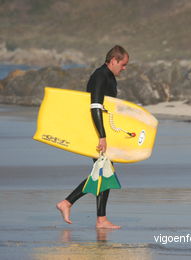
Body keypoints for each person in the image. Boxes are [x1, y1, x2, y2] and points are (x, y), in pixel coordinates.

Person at [56, 45, 129, 229]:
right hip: (96, 133)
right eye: (123, 64)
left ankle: (97, 217)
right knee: (105, 172)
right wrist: (101, 136)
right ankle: (69, 204)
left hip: (101, 131)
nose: (124, 68)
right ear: (114, 60)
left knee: (104, 172)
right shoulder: (100, 76)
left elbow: (106, 108)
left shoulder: (109, 77)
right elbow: (95, 106)